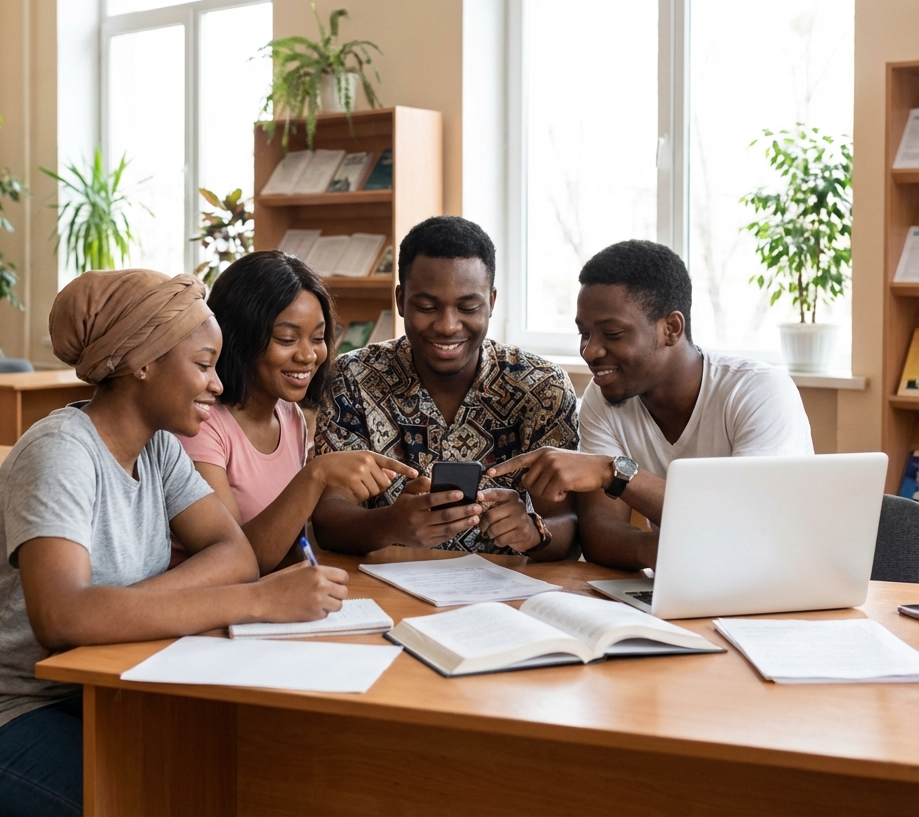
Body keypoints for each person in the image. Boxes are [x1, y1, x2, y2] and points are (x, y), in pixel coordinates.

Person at [0, 269, 351, 817]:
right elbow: (64, 617)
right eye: (203, 364)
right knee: (171, 798)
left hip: (95, 691)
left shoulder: (160, 450)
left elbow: (235, 554)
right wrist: (260, 600)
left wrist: (124, 608)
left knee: (246, 772)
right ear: (142, 362)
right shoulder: (61, 453)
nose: (218, 385)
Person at [488, 240, 814, 570]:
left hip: (785, 585)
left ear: (671, 328)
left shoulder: (758, 392)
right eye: (584, 333)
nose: (589, 351)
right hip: (688, 587)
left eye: (612, 334)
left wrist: (612, 472)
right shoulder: (604, 399)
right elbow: (601, 534)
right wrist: (657, 551)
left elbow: (745, 528)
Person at [311, 216, 580, 559]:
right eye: (426, 307)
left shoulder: (542, 387)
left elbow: (567, 523)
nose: (447, 326)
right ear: (400, 300)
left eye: (468, 307)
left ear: (492, 302)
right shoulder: (353, 378)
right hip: (388, 588)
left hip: (504, 595)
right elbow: (329, 518)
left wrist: (532, 531)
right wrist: (391, 524)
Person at [175, 251, 415, 573]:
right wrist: (316, 475)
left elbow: (291, 542)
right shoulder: (200, 425)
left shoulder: (289, 415)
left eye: (317, 338)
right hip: (207, 610)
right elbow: (236, 564)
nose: (307, 355)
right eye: (287, 338)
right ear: (238, 338)